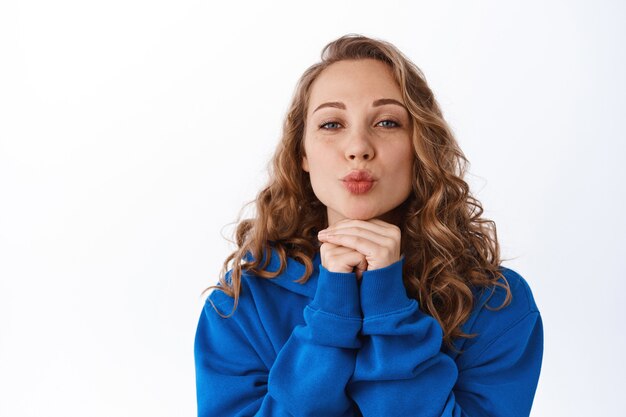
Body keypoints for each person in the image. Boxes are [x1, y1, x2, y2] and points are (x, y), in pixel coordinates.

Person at [194, 34, 543, 416]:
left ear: (421, 145)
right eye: (331, 124)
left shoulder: (496, 303)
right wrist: (331, 315)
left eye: (387, 122)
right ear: (302, 154)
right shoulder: (240, 305)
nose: (358, 146)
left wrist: (388, 309)